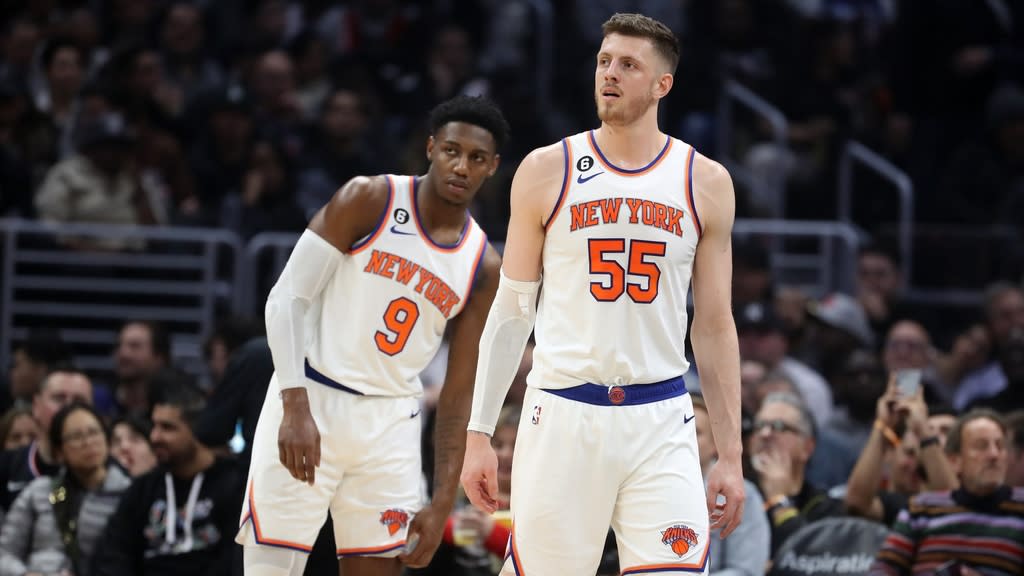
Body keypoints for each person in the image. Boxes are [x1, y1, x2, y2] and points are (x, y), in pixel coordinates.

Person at [461, 13, 745, 575]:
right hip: (563, 412)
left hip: (660, 416)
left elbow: (713, 325)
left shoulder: (705, 181)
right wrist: (479, 433)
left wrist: (732, 455)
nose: (609, 74)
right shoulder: (547, 169)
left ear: (663, 84)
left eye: (629, 65)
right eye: (604, 61)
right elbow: (513, 309)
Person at [237, 94, 507, 576]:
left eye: (476, 158)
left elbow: (458, 395)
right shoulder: (369, 199)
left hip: (391, 423)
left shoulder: (482, 265)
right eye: (451, 150)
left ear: (492, 168)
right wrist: (294, 405)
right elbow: (286, 300)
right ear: (430, 148)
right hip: (313, 395)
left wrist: (444, 498)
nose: (461, 166)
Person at [92, 381, 243, 576]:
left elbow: (235, 559)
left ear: (196, 430)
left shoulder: (233, 484)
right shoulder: (143, 489)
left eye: (167, 428)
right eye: (154, 426)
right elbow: (114, 554)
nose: (155, 436)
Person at [0, 402, 130, 576]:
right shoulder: (41, 491)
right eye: (76, 436)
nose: (88, 442)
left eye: (94, 432)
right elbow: (4, 553)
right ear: (59, 451)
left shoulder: (127, 495)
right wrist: (25, 574)